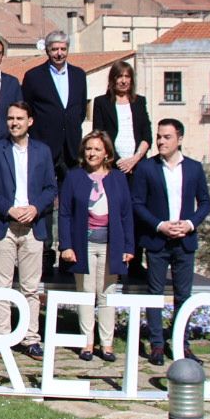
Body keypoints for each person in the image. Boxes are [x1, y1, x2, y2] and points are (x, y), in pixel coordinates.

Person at [0, 101, 57, 360]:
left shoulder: (43, 151)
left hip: (33, 226)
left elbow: (50, 189)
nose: (14, 123)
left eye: (19, 118)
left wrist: (35, 208)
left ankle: (30, 337)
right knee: (1, 285)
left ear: (30, 121)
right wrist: (9, 208)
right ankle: (1, 337)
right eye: (10, 118)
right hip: (4, 225)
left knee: (30, 287)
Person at [132, 119, 210, 366]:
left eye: (166, 137)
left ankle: (180, 343)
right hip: (157, 240)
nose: (160, 141)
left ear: (179, 138)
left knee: (183, 295)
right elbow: (137, 203)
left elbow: (205, 202)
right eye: (158, 136)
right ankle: (157, 344)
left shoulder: (195, 169)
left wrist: (189, 224)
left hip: (185, 241)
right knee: (154, 294)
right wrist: (160, 225)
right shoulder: (147, 168)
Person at [57, 131, 134, 363]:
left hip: (112, 245)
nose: (92, 153)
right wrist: (66, 245)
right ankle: (87, 342)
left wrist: (128, 246)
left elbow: (126, 214)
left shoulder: (118, 179)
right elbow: (65, 214)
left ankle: (107, 344)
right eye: (89, 148)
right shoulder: (74, 177)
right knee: (86, 294)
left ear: (107, 153)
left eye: (97, 149)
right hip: (84, 245)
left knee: (107, 295)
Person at [21, 30, 88, 178]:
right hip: (44, 147)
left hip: (72, 148)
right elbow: (27, 110)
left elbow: (81, 110)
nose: (59, 53)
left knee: (72, 195)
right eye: (54, 49)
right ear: (47, 50)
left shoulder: (79, 75)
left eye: (63, 49)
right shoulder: (33, 77)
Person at [91, 60, 152, 176]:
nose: (124, 81)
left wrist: (134, 159)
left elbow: (147, 135)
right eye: (120, 77)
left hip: (138, 165)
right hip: (112, 165)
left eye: (127, 77)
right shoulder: (101, 102)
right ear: (113, 79)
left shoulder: (139, 102)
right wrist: (118, 161)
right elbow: (99, 134)